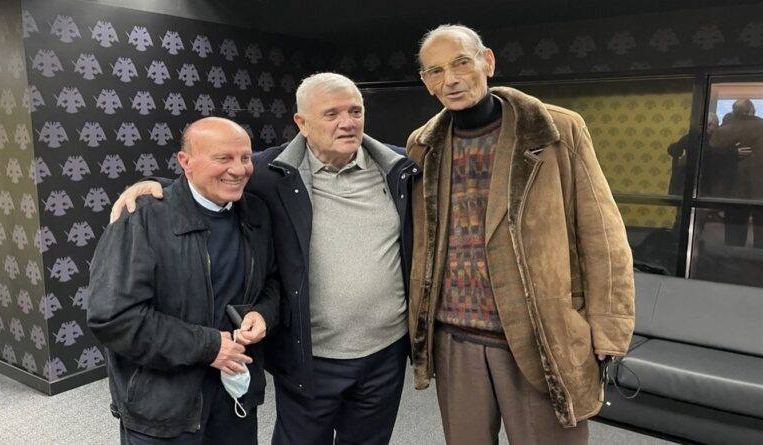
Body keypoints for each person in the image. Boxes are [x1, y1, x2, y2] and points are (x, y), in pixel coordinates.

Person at [110, 73, 420, 445]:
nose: (347, 122)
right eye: (331, 113)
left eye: (355, 111)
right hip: (312, 355)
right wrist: (155, 186)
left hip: (386, 351)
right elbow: (212, 178)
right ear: (302, 122)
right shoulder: (270, 172)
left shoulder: (400, 167)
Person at [406, 25, 635, 444]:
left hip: (540, 332)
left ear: (487, 62)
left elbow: (602, 234)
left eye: (461, 63)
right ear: (426, 82)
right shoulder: (423, 145)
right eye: (436, 71)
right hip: (454, 336)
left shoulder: (555, 130)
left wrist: (609, 325)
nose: (451, 79)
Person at [88, 117, 279, 444]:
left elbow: (272, 282)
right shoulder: (142, 218)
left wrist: (264, 313)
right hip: (162, 407)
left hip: (234, 399)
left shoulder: (256, 213)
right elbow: (113, 318)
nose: (238, 169)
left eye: (246, 157)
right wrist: (209, 347)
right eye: (223, 158)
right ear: (185, 162)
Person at [709, 98, 763, 247]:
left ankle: (733, 259)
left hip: (732, 188)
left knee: (733, 237)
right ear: (752, 111)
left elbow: (709, 157)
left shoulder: (723, 131)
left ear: (734, 111)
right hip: (761, 188)